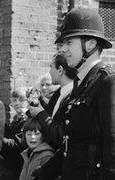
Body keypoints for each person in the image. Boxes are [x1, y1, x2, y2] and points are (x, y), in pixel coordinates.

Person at [30, 8, 115, 179]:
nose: (62, 49)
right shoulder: (81, 83)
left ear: (90, 44)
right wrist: (42, 174)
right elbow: (72, 146)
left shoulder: (107, 82)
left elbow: (112, 148)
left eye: (69, 43)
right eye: (62, 44)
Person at [0, 87, 29, 180]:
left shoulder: (27, 119)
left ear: (28, 101)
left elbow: (18, 145)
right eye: (15, 100)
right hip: (8, 165)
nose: (17, 103)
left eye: (22, 100)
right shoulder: (15, 118)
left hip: (18, 166)